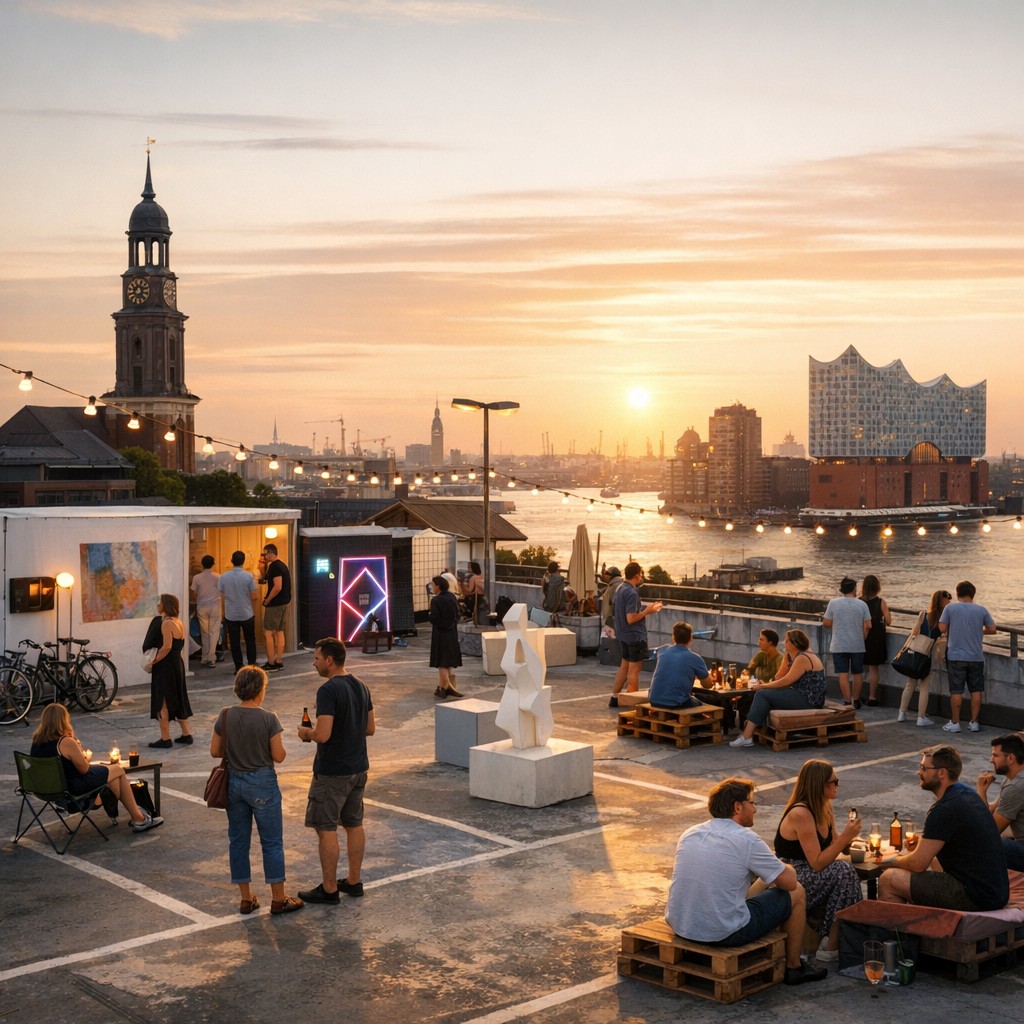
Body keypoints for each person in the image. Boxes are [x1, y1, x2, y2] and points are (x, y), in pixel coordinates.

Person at [664, 776, 828, 986]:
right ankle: (794, 967)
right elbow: (790, 883)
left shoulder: (690, 833)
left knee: (746, 886)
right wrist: (783, 865)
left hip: (681, 925)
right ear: (737, 807)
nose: (756, 809)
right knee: (797, 893)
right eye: (752, 803)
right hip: (724, 933)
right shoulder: (746, 839)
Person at [211, 666, 303, 916]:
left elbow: (215, 751)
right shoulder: (268, 718)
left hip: (234, 783)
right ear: (260, 690)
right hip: (262, 782)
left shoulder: (226, 714)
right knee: (272, 842)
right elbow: (279, 756)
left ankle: (245, 898)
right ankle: (278, 898)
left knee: (238, 842)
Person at [878, 744, 1008, 910]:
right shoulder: (967, 794)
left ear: (941, 773)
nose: (919, 772)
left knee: (888, 879)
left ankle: (896, 934)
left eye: (924, 768)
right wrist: (922, 845)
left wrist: (885, 861)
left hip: (975, 896)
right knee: (929, 859)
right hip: (996, 892)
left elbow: (918, 863)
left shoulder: (945, 808)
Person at [297, 638, 375, 905]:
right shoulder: (361, 686)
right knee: (354, 824)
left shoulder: (328, 691)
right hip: (358, 767)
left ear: (329, 660)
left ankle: (329, 889)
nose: (314, 662)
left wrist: (306, 734)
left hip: (332, 771)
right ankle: (354, 881)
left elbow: (323, 734)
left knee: (326, 827)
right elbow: (369, 728)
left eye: (317, 658)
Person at [774, 760, 863, 960]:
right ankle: (831, 943)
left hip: (812, 872)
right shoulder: (801, 813)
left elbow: (835, 844)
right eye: (834, 781)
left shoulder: (824, 807)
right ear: (818, 785)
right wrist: (845, 839)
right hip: (793, 872)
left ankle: (836, 939)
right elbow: (817, 862)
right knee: (844, 872)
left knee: (846, 872)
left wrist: (851, 840)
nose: (837, 786)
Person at [30, 702, 162, 832]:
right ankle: (138, 817)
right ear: (63, 721)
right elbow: (84, 769)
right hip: (73, 787)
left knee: (113, 777)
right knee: (118, 769)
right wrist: (84, 756)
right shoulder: (65, 741)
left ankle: (113, 801)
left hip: (48, 788)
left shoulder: (36, 741)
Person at [729, 629, 827, 748]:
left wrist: (762, 686)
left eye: (786, 641)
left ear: (794, 644)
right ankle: (749, 734)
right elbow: (779, 677)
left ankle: (747, 736)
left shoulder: (803, 658)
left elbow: (785, 682)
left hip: (809, 699)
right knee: (764, 695)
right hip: (801, 694)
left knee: (761, 694)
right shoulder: (795, 655)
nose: (783, 643)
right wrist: (784, 661)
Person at [939, 580, 997, 733]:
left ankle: (955, 722)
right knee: (976, 690)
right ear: (973, 594)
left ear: (958, 594)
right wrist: (979, 631)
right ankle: (974, 722)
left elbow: (942, 628)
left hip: (956, 656)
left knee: (956, 691)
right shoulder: (981, 610)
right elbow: (992, 629)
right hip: (976, 656)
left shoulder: (950, 608)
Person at [608, 562, 663, 707]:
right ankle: (634, 705)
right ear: (637, 575)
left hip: (623, 635)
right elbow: (631, 618)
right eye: (641, 574)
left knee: (624, 667)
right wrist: (647, 611)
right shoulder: (632, 593)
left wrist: (645, 609)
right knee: (634, 670)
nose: (642, 577)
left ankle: (614, 697)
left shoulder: (620, 588)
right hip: (634, 636)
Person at [897, 589, 951, 727]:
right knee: (924, 687)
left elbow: (914, 632)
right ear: (943, 602)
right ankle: (921, 717)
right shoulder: (943, 620)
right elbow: (944, 636)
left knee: (910, 684)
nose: (949, 603)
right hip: (926, 656)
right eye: (948, 600)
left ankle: (901, 713)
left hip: (914, 652)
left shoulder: (923, 614)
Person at [148, 593, 194, 749]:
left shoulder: (166, 623)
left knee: (163, 701)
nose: (157, 605)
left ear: (165, 605)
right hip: (177, 664)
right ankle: (186, 734)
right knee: (178, 697)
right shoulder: (178, 622)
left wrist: (154, 661)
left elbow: (167, 646)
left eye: (159, 602)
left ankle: (165, 738)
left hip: (166, 666)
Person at [977, 733, 1024, 872]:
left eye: (996, 755)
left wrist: (980, 791)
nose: (991, 760)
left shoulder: (1016, 786)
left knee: (979, 844)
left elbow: (990, 832)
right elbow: (991, 809)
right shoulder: (1012, 777)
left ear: (1010, 758)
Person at [821, 576, 870, 708]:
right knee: (857, 673)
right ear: (854, 588)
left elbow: (826, 623)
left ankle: (847, 701)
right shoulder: (862, 604)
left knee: (843, 674)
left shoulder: (833, 603)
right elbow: (868, 625)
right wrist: (862, 636)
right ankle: (857, 700)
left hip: (839, 644)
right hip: (857, 644)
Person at [644, 621, 712, 709]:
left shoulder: (662, 650)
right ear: (690, 638)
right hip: (676, 702)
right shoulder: (695, 658)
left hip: (654, 699)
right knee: (702, 705)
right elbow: (707, 685)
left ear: (673, 637)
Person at [219, 550, 260, 672]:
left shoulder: (224, 577)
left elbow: (221, 594)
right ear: (243, 561)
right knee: (250, 641)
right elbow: (255, 597)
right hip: (246, 613)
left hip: (231, 614)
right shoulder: (248, 576)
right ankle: (252, 665)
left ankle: (238, 667)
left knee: (234, 642)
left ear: (232, 561)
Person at [428, 575, 464, 699]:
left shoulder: (436, 600)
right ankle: (452, 685)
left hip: (441, 634)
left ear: (438, 586)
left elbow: (435, 618)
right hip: (452, 633)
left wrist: (430, 616)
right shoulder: (452, 597)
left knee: (441, 662)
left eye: (433, 585)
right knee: (449, 661)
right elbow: (458, 614)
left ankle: (445, 687)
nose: (432, 587)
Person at [860, 574, 891, 706]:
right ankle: (872, 697)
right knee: (874, 669)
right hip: (876, 638)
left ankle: (857, 695)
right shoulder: (880, 602)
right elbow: (889, 621)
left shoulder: (859, 602)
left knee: (859, 668)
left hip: (860, 637)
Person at [260, 542, 291, 672]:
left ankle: (271, 662)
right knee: (279, 631)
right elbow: (263, 579)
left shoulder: (275, 567)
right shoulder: (282, 565)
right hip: (283, 602)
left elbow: (277, 586)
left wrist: (268, 600)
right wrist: (261, 566)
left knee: (268, 633)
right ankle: (279, 661)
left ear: (271, 553)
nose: (264, 556)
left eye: (264, 554)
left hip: (275, 604)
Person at [191, 554, 223, 668]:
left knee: (204, 633)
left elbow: (193, 592)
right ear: (213, 564)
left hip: (202, 606)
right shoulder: (218, 576)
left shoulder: (197, 577)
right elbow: (222, 590)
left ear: (202, 564)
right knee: (214, 632)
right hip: (215, 606)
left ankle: (204, 658)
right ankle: (211, 657)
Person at [598, 565, 625, 633]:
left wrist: (612, 618)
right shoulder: (614, 584)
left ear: (611, 575)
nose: (605, 575)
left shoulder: (615, 586)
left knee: (609, 641)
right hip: (612, 619)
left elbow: (616, 604)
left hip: (612, 620)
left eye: (606, 573)